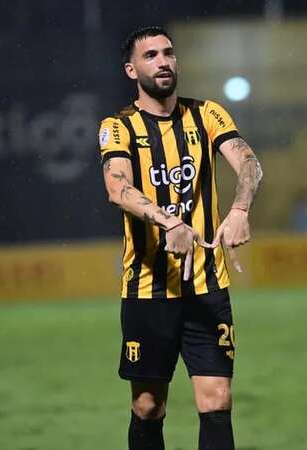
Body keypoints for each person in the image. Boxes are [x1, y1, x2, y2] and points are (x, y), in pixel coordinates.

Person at [98, 26, 262, 450]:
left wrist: (240, 209)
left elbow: (247, 162)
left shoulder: (206, 114)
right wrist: (168, 221)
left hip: (207, 287)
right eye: (151, 55)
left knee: (218, 399)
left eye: (168, 53)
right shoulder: (118, 126)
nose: (164, 61)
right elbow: (118, 187)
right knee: (149, 405)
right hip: (148, 289)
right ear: (132, 70)